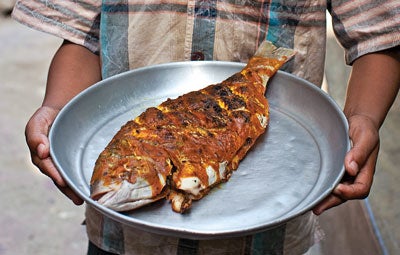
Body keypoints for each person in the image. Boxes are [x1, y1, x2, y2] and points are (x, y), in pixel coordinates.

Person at [12, 0, 399, 254]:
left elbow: (381, 33)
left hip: (268, 237)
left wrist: (364, 117)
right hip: (123, 241)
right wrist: (58, 109)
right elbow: (81, 36)